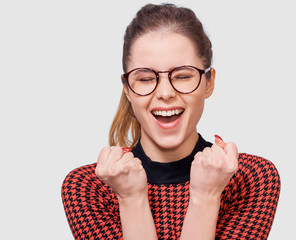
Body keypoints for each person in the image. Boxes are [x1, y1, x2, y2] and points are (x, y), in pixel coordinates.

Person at [61, 3, 280, 240]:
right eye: (145, 78)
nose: (165, 93)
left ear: (209, 83)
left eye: (183, 76)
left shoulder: (251, 177)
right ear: (127, 89)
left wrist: (205, 196)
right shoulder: (88, 187)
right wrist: (131, 199)